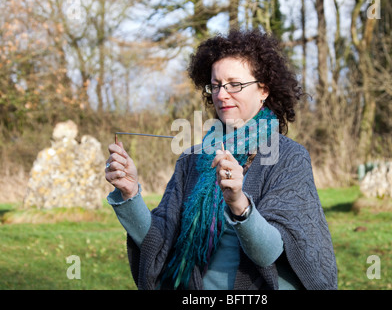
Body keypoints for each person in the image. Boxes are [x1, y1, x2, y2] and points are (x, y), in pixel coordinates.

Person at [105, 29, 338, 290]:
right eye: (215, 85)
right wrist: (130, 193)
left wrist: (238, 203)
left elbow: (269, 253)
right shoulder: (191, 160)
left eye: (234, 84)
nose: (222, 94)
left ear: (263, 90)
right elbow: (159, 242)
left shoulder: (289, 158)